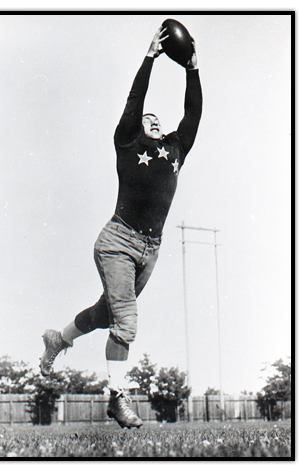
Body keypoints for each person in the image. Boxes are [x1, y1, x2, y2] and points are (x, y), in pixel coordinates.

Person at [40, 25, 202, 429]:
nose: (150, 117)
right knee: (126, 321)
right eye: (145, 117)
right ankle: (117, 398)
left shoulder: (174, 148)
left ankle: (58, 339)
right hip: (117, 241)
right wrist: (149, 58)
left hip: (151, 249)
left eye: (155, 117)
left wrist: (193, 70)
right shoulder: (128, 142)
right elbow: (136, 100)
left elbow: (193, 113)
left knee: (103, 313)